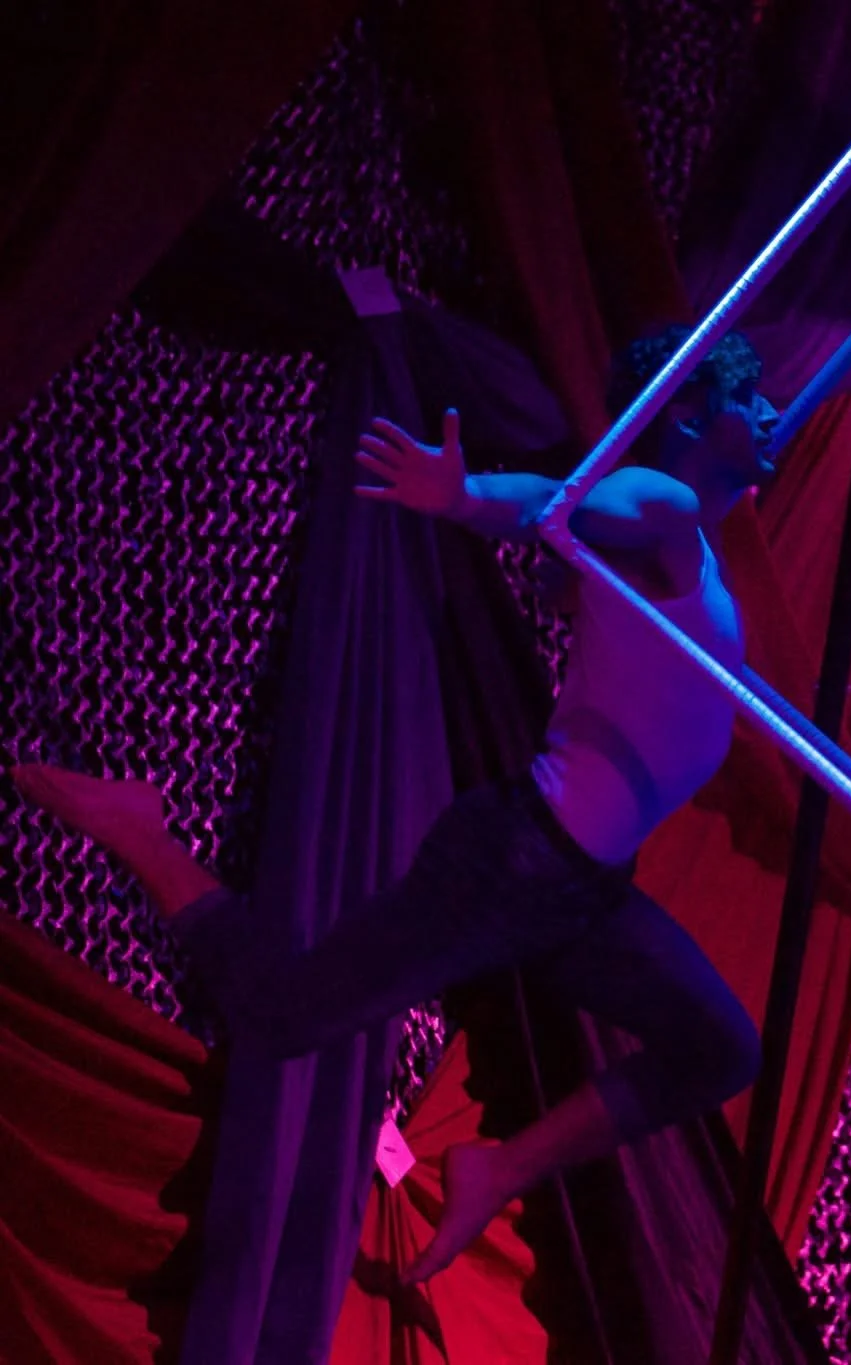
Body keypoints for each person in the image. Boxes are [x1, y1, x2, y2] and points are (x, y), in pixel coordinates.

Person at [10, 324, 782, 1284]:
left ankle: (497, 1166)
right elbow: (562, 502)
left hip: (583, 891)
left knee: (719, 1045)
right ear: (690, 415)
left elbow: (597, 584)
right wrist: (464, 497)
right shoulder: (659, 507)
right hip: (517, 864)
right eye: (751, 400)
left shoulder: (686, 547)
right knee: (277, 1014)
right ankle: (144, 833)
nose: (773, 414)